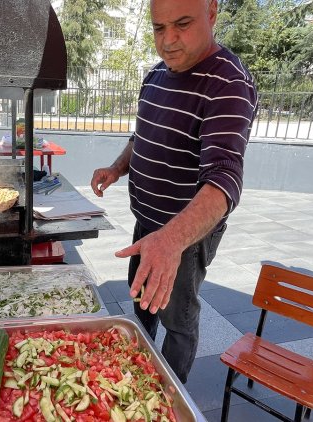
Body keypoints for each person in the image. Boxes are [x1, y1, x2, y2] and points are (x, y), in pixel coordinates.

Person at [90, 0, 257, 383]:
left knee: (178, 319)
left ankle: (166, 394)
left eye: (182, 24)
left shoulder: (228, 82)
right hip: (147, 224)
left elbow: (225, 177)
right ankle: (133, 371)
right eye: (158, 28)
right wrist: (117, 167)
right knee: (143, 303)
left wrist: (171, 241)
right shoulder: (156, 76)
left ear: (212, 12)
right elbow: (144, 134)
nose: (168, 41)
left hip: (183, 235)